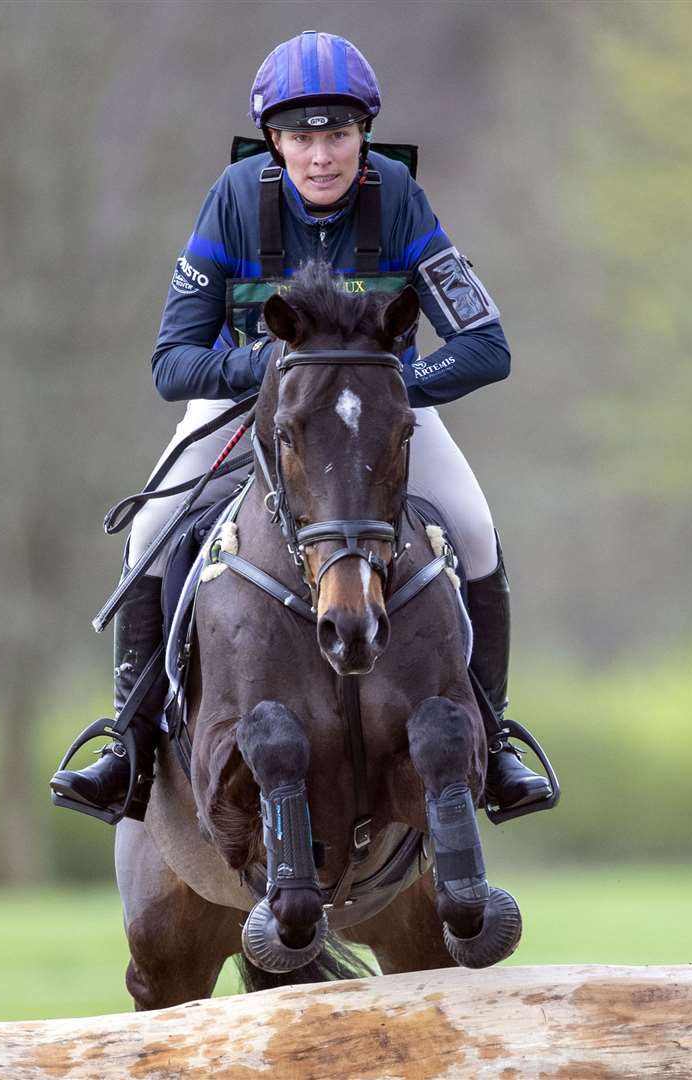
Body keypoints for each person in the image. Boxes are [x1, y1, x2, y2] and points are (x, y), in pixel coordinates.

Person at [50, 31, 551, 823]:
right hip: (253, 407)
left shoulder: (398, 198)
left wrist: (387, 385)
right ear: (274, 141)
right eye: (302, 138)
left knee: (477, 531)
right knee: (149, 530)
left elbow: (487, 347)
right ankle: (130, 745)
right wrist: (277, 375)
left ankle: (495, 743)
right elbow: (172, 363)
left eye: (339, 135)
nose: (321, 157)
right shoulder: (235, 199)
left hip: (372, 414)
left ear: (365, 136)